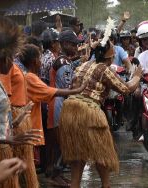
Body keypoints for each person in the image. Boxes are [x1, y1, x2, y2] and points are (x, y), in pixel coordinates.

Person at [58, 28, 143, 187]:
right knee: (102, 152)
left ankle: (75, 184)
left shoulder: (84, 64)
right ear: (110, 56)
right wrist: (138, 76)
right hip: (88, 110)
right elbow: (125, 89)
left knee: (77, 154)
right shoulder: (104, 68)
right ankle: (106, 185)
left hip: (69, 110)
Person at [0, 32, 41, 188]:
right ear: (5, 59)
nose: (13, 63)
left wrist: (14, 121)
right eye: (13, 58)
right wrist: (7, 139)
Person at [46, 30, 81, 186]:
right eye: (73, 45)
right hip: (58, 104)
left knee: (60, 144)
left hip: (58, 103)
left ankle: (56, 173)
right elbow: (66, 86)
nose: (76, 48)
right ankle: (55, 174)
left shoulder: (64, 60)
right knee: (62, 144)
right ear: (65, 44)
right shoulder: (63, 62)